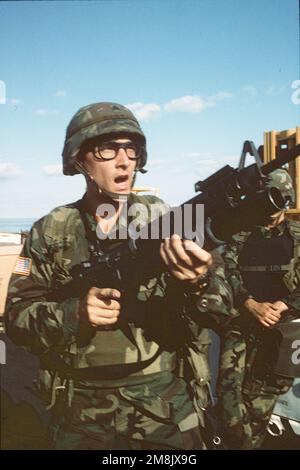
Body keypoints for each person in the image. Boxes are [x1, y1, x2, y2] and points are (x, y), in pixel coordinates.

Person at [4, 102, 235, 450]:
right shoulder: (50, 230)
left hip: (164, 404)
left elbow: (223, 310)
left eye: (131, 148)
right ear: (80, 160)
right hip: (79, 409)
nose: (124, 159)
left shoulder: (170, 219)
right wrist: (74, 313)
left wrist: (198, 282)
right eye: (107, 148)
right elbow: (17, 317)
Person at [218, 169, 300, 449]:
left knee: (260, 407)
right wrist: (250, 304)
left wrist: (285, 304)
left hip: (279, 333)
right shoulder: (239, 233)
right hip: (241, 325)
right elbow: (225, 270)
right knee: (229, 405)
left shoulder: (297, 235)